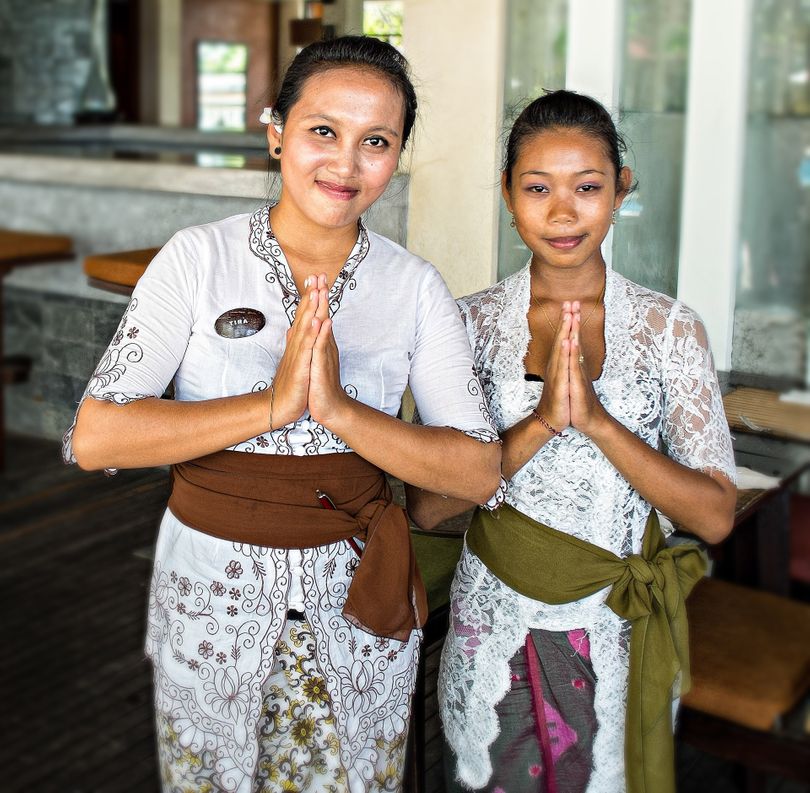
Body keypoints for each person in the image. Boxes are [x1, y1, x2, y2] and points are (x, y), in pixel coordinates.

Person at [65, 35, 501, 793]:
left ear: (397, 156)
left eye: (376, 142)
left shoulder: (415, 288)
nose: (346, 163)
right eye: (322, 131)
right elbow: (96, 434)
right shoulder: (198, 259)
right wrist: (270, 405)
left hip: (359, 607)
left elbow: (474, 468)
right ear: (277, 133)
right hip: (208, 602)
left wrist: (338, 411)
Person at [406, 90, 738, 793]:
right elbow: (428, 510)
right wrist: (539, 426)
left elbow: (712, 516)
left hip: (617, 632)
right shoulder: (462, 326)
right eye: (537, 188)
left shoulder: (670, 331)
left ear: (621, 190)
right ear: (507, 194)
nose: (563, 213)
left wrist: (598, 422)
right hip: (493, 629)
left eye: (587, 187)